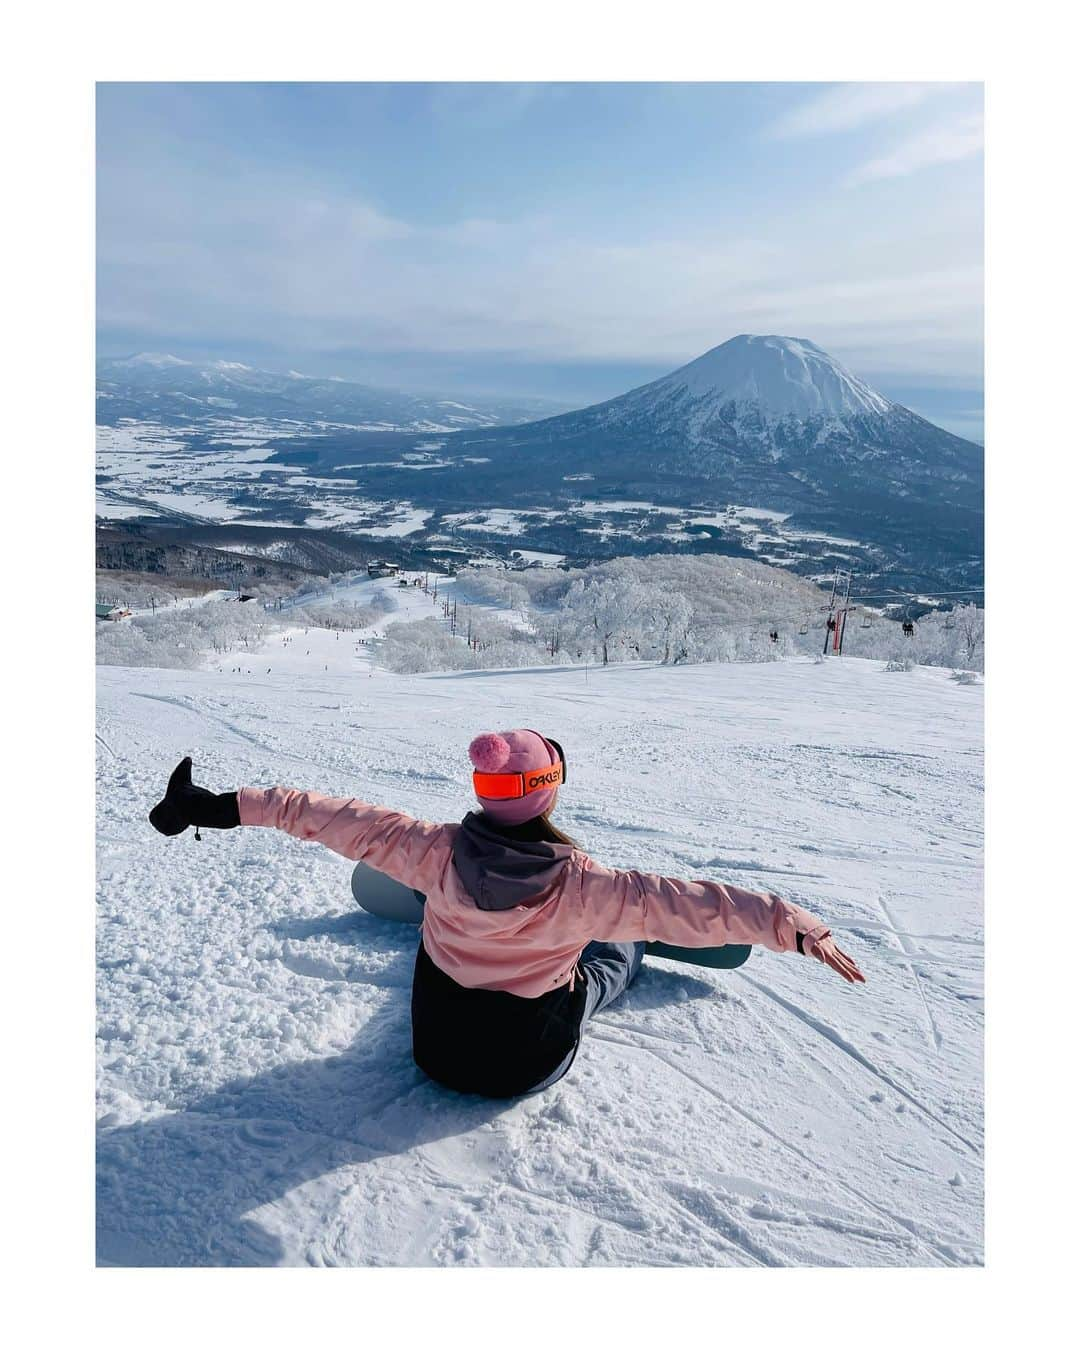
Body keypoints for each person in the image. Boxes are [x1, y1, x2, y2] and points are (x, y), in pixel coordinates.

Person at [149, 729, 864, 1099]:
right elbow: (694, 906)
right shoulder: (589, 888)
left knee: (447, 920)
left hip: (435, 1050)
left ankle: (453, 927)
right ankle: (620, 958)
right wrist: (795, 928)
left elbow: (316, 814)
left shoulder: (426, 848)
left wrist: (211, 807)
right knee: (615, 949)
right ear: (548, 793)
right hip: (524, 1064)